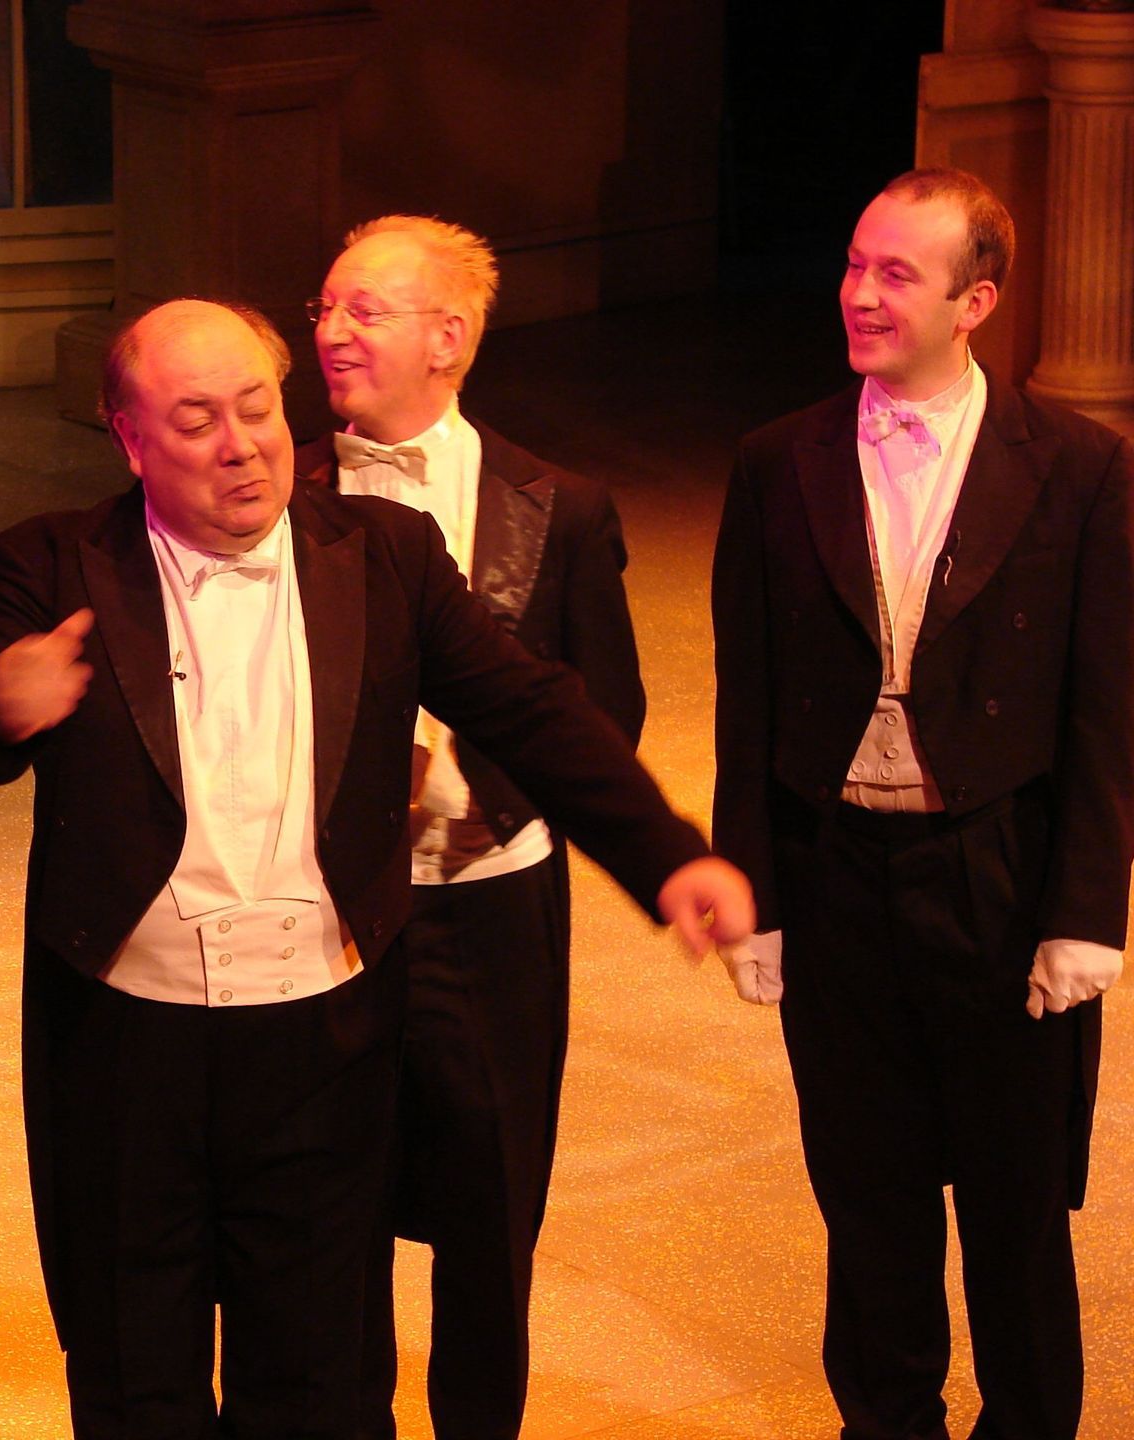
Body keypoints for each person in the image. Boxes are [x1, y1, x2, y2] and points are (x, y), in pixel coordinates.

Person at [0, 297, 751, 1439]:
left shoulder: (387, 555)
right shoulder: (53, 562)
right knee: (132, 1376)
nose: (240, 443)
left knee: (318, 1384)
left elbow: (530, 709)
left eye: (257, 407)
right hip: (125, 1047)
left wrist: (665, 855)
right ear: (129, 438)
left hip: (323, 1041)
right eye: (196, 419)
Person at [712, 168, 1134, 1440]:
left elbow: (1106, 712)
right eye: (854, 265)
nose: (860, 294)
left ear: (978, 301)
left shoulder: (1078, 466)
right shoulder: (776, 460)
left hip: (997, 876)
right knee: (869, 1204)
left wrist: (1086, 914)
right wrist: (758, 896)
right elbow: (751, 702)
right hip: (837, 873)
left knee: (1014, 1215)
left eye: (897, 273)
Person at [298, 214, 646, 1438]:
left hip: (495, 901)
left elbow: (605, 717)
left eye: (364, 310)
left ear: (448, 338)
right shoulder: (281, 494)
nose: (332, 331)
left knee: (492, 1214)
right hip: (328, 912)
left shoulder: (561, 506)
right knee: (329, 1205)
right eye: (325, 310)